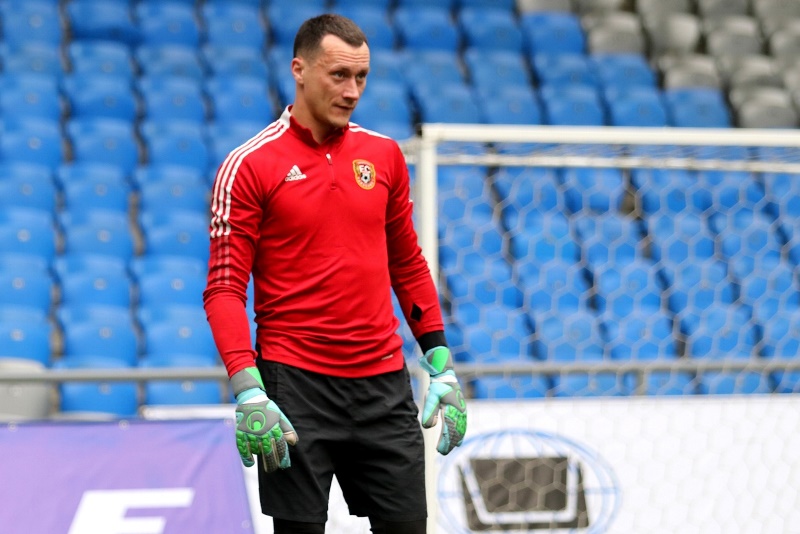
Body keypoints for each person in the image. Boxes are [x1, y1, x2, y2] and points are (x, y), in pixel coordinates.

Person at [203, 14, 468, 534]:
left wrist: (441, 366)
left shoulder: (384, 156)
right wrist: (248, 388)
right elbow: (225, 288)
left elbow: (407, 264)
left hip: (383, 384)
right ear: (299, 70)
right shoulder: (250, 164)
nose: (352, 91)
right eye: (339, 75)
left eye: (362, 77)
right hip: (294, 386)